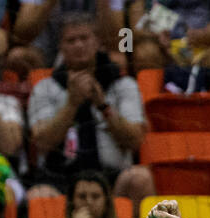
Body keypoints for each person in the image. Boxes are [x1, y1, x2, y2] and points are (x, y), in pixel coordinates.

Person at [26, 14, 155, 203]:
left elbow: (135, 139)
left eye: (84, 38)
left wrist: (103, 106)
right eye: (71, 40)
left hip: (111, 177)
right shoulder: (45, 88)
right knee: (38, 196)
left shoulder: (123, 84)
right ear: (61, 47)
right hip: (61, 179)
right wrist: (71, 105)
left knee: (140, 178)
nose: (78, 45)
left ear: (98, 43)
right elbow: (42, 142)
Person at [124, 0, 210, 75]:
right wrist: (156, 35)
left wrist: (204, 35)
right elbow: (136, 24)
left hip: (205, 47)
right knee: (144, 54)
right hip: (162, 49)